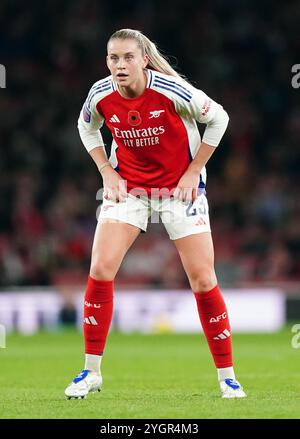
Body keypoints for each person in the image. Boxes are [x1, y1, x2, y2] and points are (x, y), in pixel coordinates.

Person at [64, 29, 246, 400]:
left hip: (179, 190)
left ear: (144, 59)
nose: (120, 65)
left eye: (128, 57)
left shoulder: (172, 91)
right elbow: (86, 128)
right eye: (113, 58)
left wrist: (195, 170)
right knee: (100, 269)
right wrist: (106, 171)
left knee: (202, 279)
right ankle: (91, 372)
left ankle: (228, 377)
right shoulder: (100, 94)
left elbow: (221, 119)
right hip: (128, 189)